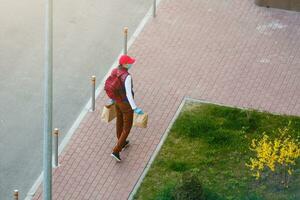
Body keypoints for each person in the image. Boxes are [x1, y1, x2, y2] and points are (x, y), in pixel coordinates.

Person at [105, 55, 143, 162]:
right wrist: (135, 108)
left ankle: (122, 142)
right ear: (125, 64)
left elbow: (112, 86)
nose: (131, 64)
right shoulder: (127, 76)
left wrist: (112, 99)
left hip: (117, 101)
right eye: (130, 62)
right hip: (126, 104)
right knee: (127, 127)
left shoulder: (114, 71)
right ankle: (116, 151)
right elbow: (128, 94)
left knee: (119, 121)